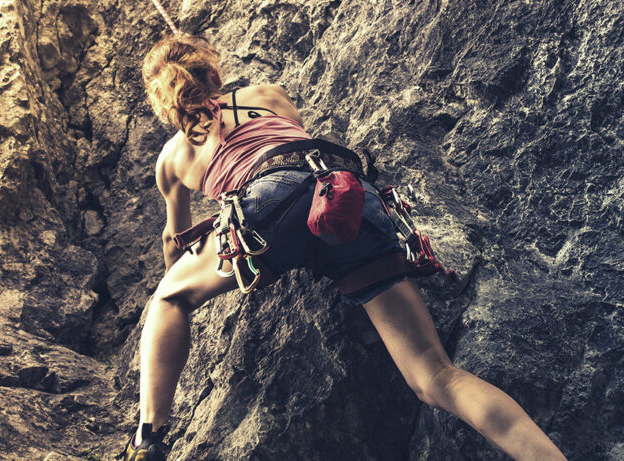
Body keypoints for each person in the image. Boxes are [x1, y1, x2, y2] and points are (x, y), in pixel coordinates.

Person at [124, 33, 567, 461]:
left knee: (169, 297)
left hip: (267, 207)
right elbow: (292, 146)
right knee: (436, 377)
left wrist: (185, 283)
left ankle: (149, 438)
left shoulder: (172, 159)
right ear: (211, 73)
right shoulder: (267, 94)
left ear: (162, 101)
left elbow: (174, 244)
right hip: (345, 200)